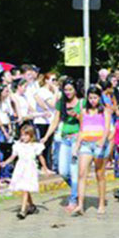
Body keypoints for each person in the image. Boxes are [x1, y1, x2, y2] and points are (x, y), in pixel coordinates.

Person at [41, 80, 82, 212]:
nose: (68, 92)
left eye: (70, 89)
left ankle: (74, 199)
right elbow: (55, 121)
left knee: (74, 170)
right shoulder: (61, 103)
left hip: (77, 139)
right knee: (63, 171)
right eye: (66, 90)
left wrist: (77, 115)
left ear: (75, 89)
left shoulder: (82, 102)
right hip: (64, 139)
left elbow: (87, 120)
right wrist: (46, 137)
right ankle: (79, 189)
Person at [72, 86, 113, 216]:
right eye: (90, 98)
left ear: (99, 98)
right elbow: (81, 129)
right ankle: (80, 205)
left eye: (95, 97)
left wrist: (102, 140)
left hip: (99, 145)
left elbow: (107, 128)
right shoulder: (84, 112)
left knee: (100, 174)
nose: (93, 100)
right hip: (86, 144)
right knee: (81, 173)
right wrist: (76, 146)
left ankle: (101, 203)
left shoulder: (105, 111)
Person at [1, 124, 49, 219]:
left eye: (26, 135)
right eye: (22, 135)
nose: (24, 137)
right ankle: (31, 205)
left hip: (30, 168)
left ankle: (23, 210)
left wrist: (45, 168)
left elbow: (41, 157)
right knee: (24, 188)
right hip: (20, 168)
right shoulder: (18, 145)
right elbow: (13, 156)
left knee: (26, 188)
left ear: (31, 136)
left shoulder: (35, 146)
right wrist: (5, 162)